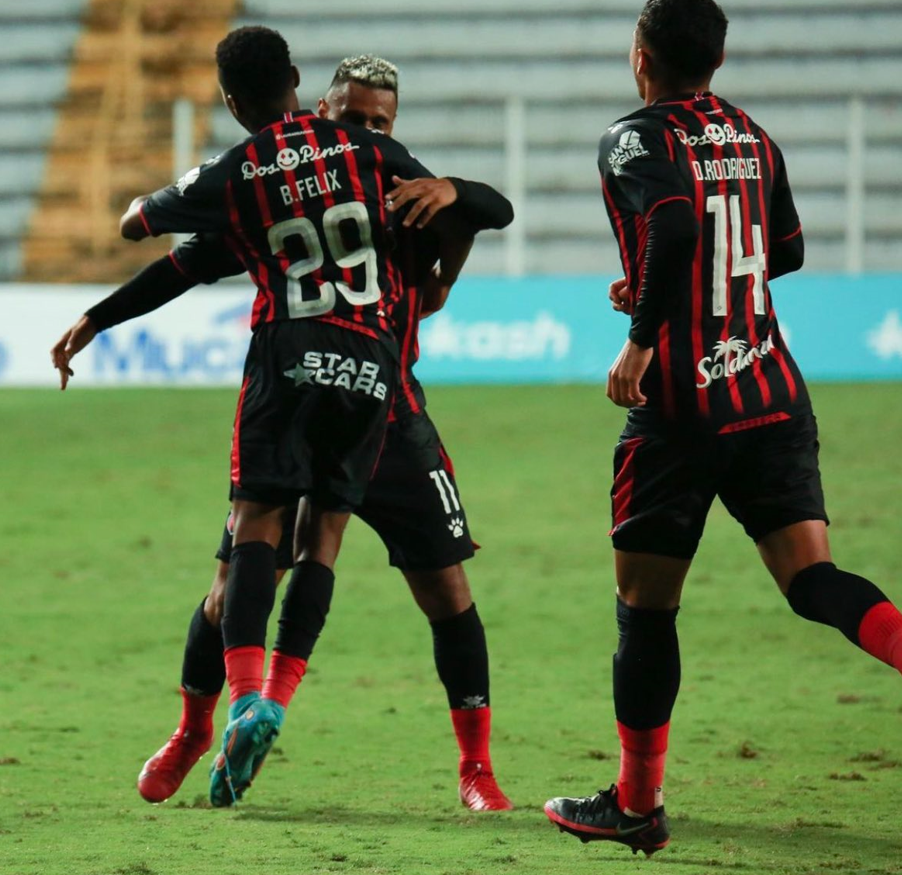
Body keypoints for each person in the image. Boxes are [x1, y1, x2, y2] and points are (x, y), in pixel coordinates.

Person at [53, 49, 514, 810]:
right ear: (318, 109)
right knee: (231, 582)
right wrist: (99, 316)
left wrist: (452, 191)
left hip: (392, 417)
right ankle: (195, 730)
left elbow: (481, 209)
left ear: (393, 130)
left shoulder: (398, 185)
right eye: (355, 117)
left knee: (447, 591)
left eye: (381, 122)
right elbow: (186, 265)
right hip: (338, 398)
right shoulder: (300, 185)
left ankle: (477, 768)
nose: (367, 129)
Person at [543, 0, 902, 856]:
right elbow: (784, 253)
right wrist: (674, 282)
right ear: (720, 58)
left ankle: (636, 802)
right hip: (769, 391)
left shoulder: (635, 137)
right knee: (814, 582)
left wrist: (640, 335)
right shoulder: (754, 134)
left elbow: (670, 221)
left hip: (679, 408)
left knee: (645, 606)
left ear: (640, 56)